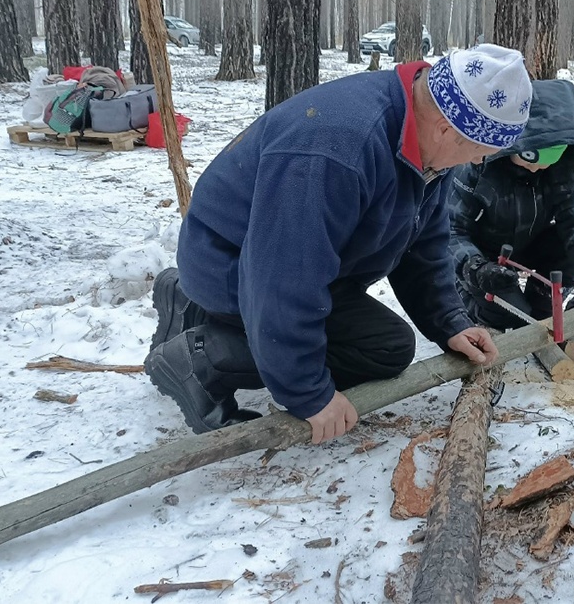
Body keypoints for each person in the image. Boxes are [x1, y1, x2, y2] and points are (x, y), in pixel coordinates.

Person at [145, 44, 533, 444]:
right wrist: (308, 394)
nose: (474, 163)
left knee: (387, 347)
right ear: (447, 130)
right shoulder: (336, 148)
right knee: (363, 350)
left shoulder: (426, 140)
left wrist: (449, 322)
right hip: (233, 263)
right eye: (479, 152)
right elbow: (282, 279)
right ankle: (200, 358)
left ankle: (190, 308)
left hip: (300, 263)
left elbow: (424, 245)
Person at [448, 79, 574, 335]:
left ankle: (541, 305)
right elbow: (450, 230)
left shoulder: (561, 173)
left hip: (528, 242)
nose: (538, 168)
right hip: (484, 258)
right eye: (531, 157)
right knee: (505, 315)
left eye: (551, 158)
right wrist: (476, 268)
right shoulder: (477, 166)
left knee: (534, 314)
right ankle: (463, 295)